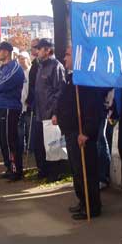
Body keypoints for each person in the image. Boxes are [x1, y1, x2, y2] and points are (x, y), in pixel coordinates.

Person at [57, 46, 102, 220]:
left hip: (81, 133)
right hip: (71, 131)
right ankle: (82, 201)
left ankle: (92, 206)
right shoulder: (71, 79)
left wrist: (87, 132)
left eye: (68, 54)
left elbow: (92, 109)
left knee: (86, 171)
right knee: (76, 170)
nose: (64, 58)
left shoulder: (86, 81)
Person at [0, 41, 25, 181]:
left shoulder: (15, 67)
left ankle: (16, 170)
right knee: (3, 140)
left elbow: (1, 84)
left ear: (6, 51)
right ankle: (8, 167)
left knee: (10, 139)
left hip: (10, 107)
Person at [33, 38, 65, 180]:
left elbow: (60, 91)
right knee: (40, 144)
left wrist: (55, 112)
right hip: (40, 112)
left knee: (53, 144)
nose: (36, 51)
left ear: (47, 50)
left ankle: (55, 173)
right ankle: (43, 170)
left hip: (50, 113)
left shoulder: (56, 66)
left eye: (39, 49)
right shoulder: (40, 66)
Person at [18, 51, 32, 154]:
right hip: (19, 105)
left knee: (29, 128)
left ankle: (29, 147)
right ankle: (21, 147)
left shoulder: (31, 71)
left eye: (23, 58)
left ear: (28, 59)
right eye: (20, 59)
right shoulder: (18, 73)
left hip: (28, 105)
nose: (21, 61)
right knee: (20, 129)